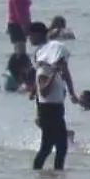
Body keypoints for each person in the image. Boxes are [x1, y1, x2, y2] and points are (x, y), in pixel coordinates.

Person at [33, 20, 76, 170]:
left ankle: (44, 174)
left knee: (50, 146)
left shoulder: (43, 55)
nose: (29, 39)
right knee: (57, 147)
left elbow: (65, 72)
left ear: (38, 34)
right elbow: (44, 90)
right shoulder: (44, 66)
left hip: (52, 107)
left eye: (31, 36)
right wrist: (54, 73)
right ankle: (54, 174)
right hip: (50, 108)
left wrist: (71, 93)